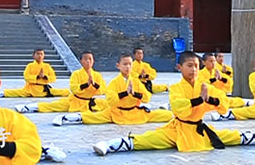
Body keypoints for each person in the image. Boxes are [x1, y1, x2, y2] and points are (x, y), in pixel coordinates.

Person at [92, 51, 255, 156]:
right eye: (189, 66)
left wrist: (209, 99)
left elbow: (223, 102)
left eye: (196, 66)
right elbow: (178, 107)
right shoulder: (176, 88)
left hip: (197, 129)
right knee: (149, 139)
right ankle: (112, 144)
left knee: (229, 136)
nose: (194, 70)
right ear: (179, 67)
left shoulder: (204, 86)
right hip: (176, 129)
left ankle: (251, 136)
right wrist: (125, 93)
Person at [52, 53, 172, 126]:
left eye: (130, 64)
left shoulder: (136, 81)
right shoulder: (115, 82)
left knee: (165, 115)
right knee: (93, 117)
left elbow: (147, 97)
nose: (128, 67)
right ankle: (67, 118)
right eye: (125, 64)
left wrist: (135, 94)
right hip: (117, 112)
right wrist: (86, 85)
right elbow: (111, 100)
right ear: (118, 66)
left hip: (135, 112)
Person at [14, 51, 108, 113]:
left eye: (90, 59)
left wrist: (94, 85)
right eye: (85, 59)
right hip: (74, 100)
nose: (88, 61)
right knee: (53, 106)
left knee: (108, 105)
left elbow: (103, 90)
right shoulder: (76, 74)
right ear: (81, 61)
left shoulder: (97, 75)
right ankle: (28, 107)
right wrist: (38, 77)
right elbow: (74, 89)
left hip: (88, 101)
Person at [0, 49, 69, 98]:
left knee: (63, 91)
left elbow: (53, 77)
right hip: (31, 89)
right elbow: (26, 77)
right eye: (38, 54)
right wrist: (37, 77)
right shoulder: (30, 66)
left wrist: (45, 77)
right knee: (15, 92)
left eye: (41, 54)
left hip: (43, 89)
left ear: (44, 56)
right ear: (34, 56)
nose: (40, 56)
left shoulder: (47, 66)